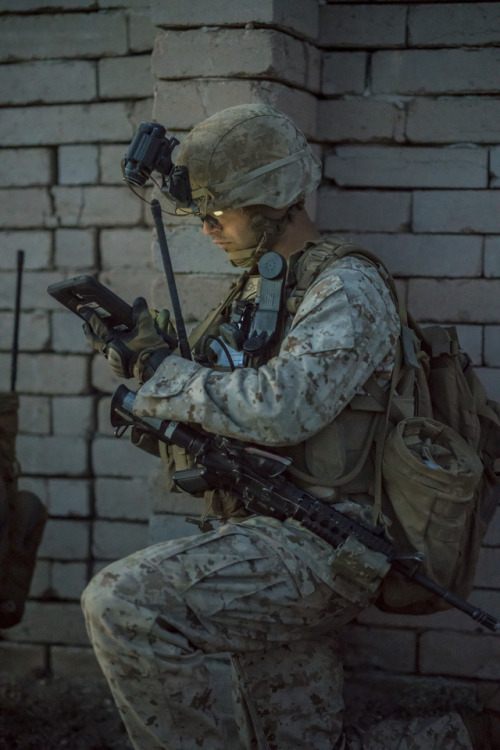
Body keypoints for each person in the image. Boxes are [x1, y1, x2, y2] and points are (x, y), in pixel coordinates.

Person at [80, 104, 492, 750]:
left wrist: (165, 378)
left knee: (123, 604)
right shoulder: (259, 288)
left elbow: (283, 406)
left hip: (323, 546)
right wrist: (142, 353)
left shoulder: (349, 289)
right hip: (264, 527)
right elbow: (213, 389)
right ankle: (465, 737)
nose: (208, 226)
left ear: (272, 199)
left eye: (221, 211)